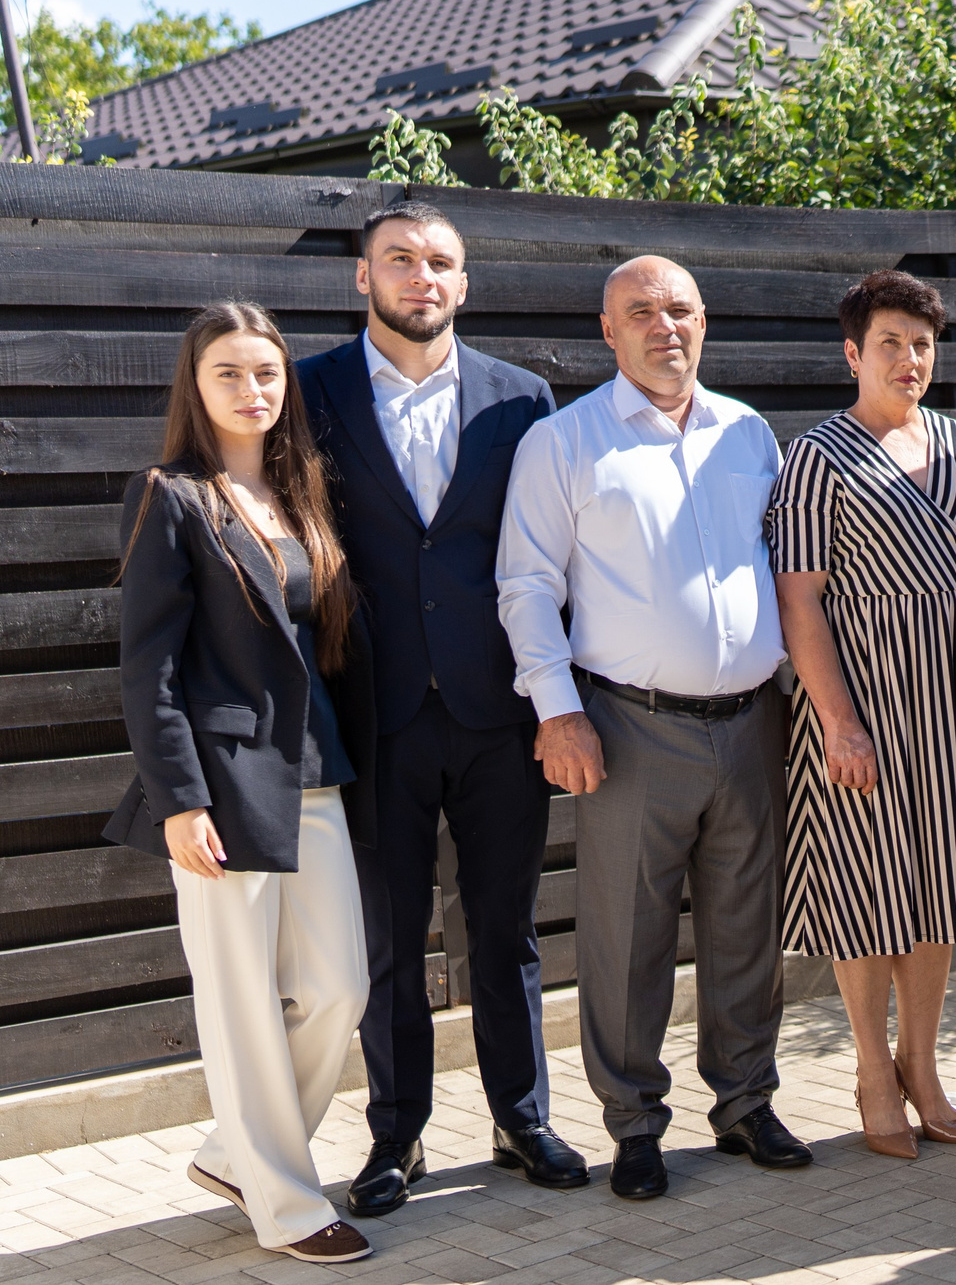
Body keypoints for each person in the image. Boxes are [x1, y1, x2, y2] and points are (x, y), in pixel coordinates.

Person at [497, 255, 810, 1201]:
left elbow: (787, 576)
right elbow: (525, 587)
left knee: (746, 929)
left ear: (704, 321)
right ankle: (635, 1123)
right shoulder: (566, 442)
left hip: (753, 723)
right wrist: (558, 712)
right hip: (630, 728)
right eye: (642, 311)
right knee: (627, 939)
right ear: (608, 330)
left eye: (679, 309)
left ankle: (746, 1102)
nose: (663, 326)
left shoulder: (750, 434)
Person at [297, 201, 586, 1215]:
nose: (422, 276)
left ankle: (521, 1114)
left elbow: (555, 554)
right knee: (390, 936)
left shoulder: (524, 398)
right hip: (373, 711)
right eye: (401, 260)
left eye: (441, 262)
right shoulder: (307, 390)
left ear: (463, 284)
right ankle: (395, 1135)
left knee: (503, 926)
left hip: (499, 703)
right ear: (361, 279)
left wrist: (561, 697)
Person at [108, 302, 378, 1264]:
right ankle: (289, 1203)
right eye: (229, 372)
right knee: (240, 1003)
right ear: (196, 383)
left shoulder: (302, 496)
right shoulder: (170, 495)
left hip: (313, 774)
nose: (252, 389)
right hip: (221, 787)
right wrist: (178, 798)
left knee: (340, 985)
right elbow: (150, 667)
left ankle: (239, 1152)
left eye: (266, 372)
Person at [767, 270, 956, 1159]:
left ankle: (924, 1061)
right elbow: (800, 604)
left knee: (939, 886)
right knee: (866, 888)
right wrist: (836, 720)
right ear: (852, 353)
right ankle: (872, 1069)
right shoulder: (816, 456)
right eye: (889, 344)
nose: (908, 359)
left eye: (921, 344)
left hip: (954, 701)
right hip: (861, 698)